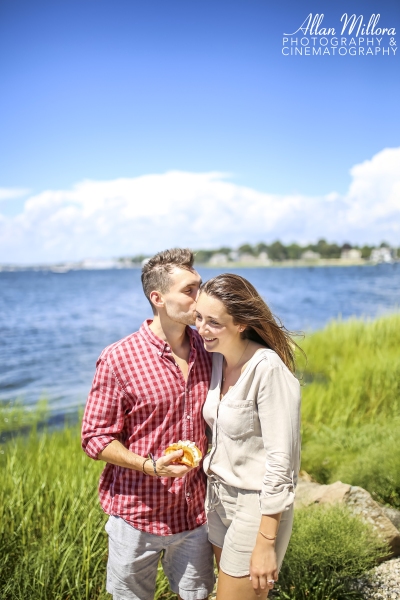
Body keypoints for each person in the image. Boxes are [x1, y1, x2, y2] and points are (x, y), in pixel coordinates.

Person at [81, 248, 215, 600]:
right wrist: (149, 466)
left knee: (198, 595)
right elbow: (95, 438)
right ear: (157, 298)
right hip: (135, 517)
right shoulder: (118, 358)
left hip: (194, 513)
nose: (200, 298)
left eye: (200, 287)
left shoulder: (210, 349)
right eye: (190, 290)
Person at [195, 273, 302, 600]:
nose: (201, 329)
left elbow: (281, 462)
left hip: (255, 506)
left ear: (241, 323)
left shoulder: (267, 369)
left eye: (213, 322)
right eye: (199, 317)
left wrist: (266, 543)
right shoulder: (217, 359)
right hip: (217, 500)